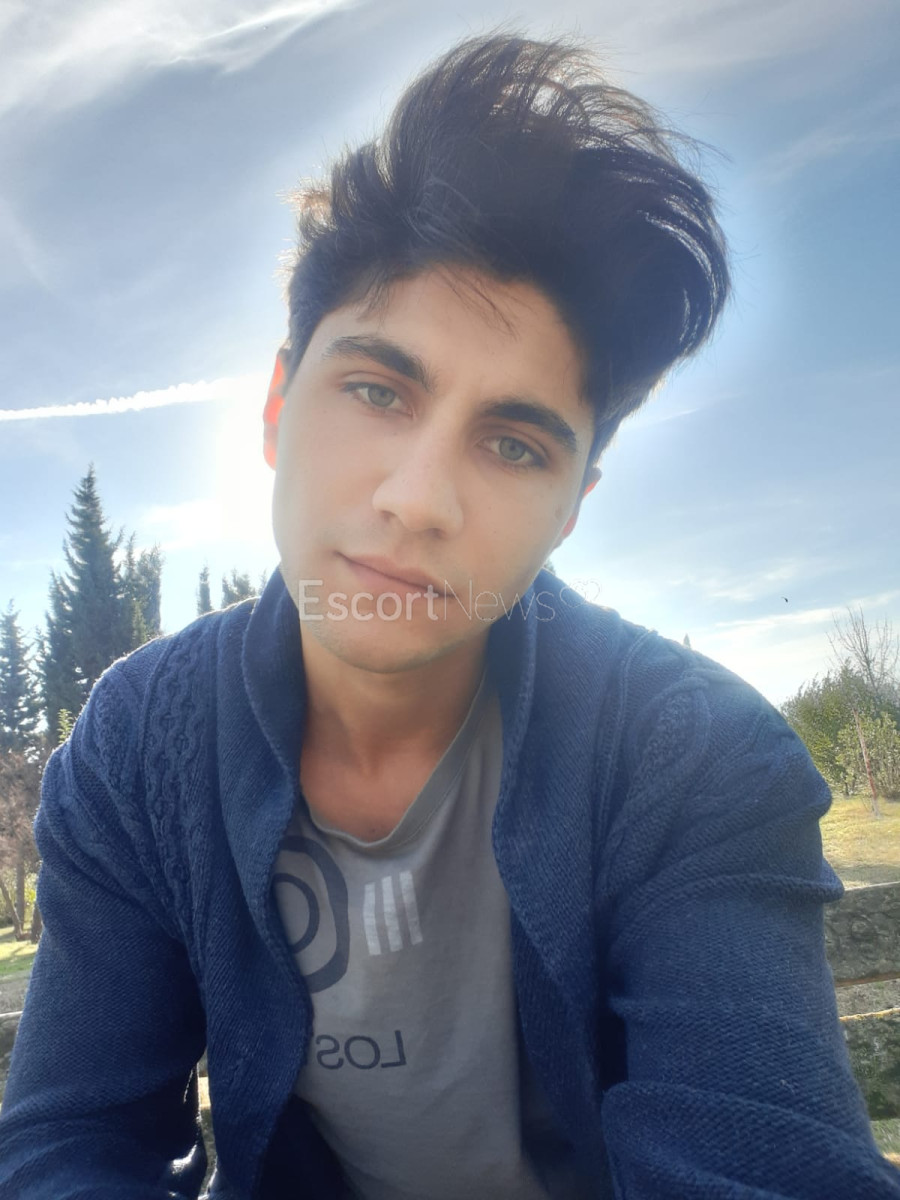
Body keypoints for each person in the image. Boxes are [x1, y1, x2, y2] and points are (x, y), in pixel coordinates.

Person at [0, 31, 896, 1200]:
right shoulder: (140, 745)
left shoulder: (694, 755)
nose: (418, 498)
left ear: (572, 507)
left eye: (515, 446)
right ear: (275, 406)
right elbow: (73, 1138)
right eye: (378, 389)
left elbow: (762, 1159)